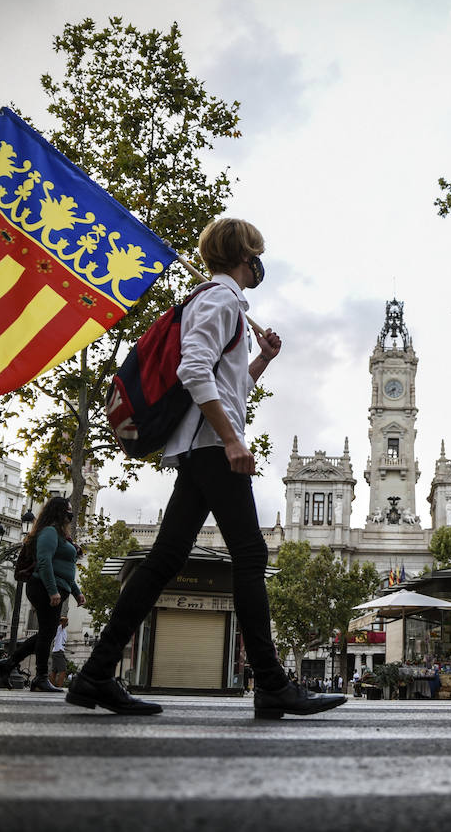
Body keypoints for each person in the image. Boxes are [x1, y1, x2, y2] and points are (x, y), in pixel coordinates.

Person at [66, 218, 343, 719]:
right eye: (257, 253)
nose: (261, 263)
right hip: (213, 448)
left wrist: (261, 362)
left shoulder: (219, 302)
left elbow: (225, 386)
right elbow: (192, 370)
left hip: (201, 447)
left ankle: (95, 673)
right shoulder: (220, 301)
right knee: (251, 555)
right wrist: (234, 440)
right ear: (245, 255)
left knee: (166, 559)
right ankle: (273, 685)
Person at [0, 497, 85, 693]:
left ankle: (9, 663)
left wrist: (76, 592)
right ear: (58, 512)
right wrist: (52, 590)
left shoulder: (62, 537)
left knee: (46, 634)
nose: (71, 513)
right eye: (68, 509)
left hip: (56, 588)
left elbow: (64, 568)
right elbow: (44, 562)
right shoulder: (49, 532)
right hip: (43, 587)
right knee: (47, 634)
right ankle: (40, 677)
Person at [50, 615, 70, 689]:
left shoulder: (63, 630)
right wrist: (60, 619)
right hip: (58, 652)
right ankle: (59, 687)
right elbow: (65, 619)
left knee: (54, 671)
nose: (67, 623)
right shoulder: (59, 628)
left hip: (57, 651)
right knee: (63, 670)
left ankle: (51, 686)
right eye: (65, 622)